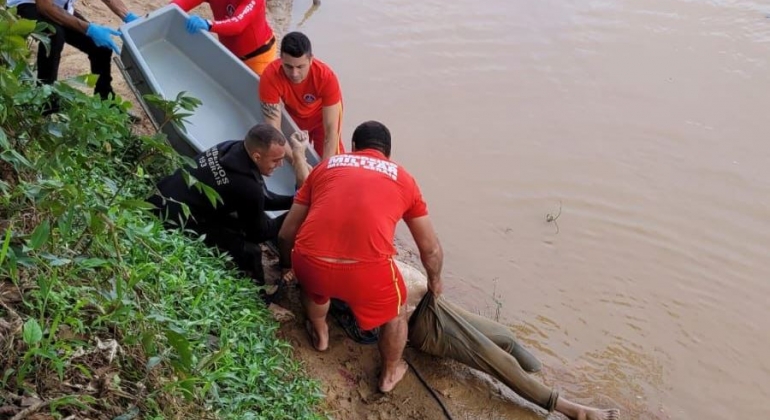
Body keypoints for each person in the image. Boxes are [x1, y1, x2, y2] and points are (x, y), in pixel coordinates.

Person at [277, 120, 443, 393]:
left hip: (311, 263)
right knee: (396, 313)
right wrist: (435, 280)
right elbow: (430, 249)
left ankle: (320, 335)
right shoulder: (404, 178)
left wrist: (288, 265)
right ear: (388, 154)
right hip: (366, 275)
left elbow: (286, 233)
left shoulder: (324, 168)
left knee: (314, 287)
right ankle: (389, 373)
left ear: (353, 147)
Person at [402, 262, 621, 420]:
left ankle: (551, 373)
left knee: (505, 337)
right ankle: (574, 410)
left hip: (432, 302)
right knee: (498, 359)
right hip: (426, 323)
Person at [148, 123, 310, 286]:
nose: (280, 165)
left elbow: (263, 198)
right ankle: (263, 299)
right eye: (276, 160)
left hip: (162, 196)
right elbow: (259, 233)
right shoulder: (246, 185)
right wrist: (300, 212)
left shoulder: (231, 148)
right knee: (251, 251)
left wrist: (298, 200)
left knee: (239, 225)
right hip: (173, 219)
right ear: (257, 157)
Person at [10, 0, 139, 110]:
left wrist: (127, 16)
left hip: (60, 6)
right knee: (55, 35)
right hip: (28, 4)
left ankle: (105, 101)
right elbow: (45, 7)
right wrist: (88, 29)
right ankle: (45, 101)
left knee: (101, 47)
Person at [259, 31, 344, 161]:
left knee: (333, 160)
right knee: (289, 153)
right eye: (288, 66)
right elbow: (274, 129)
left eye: (300, 67)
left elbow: (331, 133)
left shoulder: (326, 78)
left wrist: (324, 172)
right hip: (295, 115)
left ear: (310, 60)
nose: (294, 74)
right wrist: (298, 162)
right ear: (280, 59)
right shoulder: (270, 77)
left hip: (322, 117)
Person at [172, 0, 277, 76]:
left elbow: (237, 24)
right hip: (230, 55)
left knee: (258, 100)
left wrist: (208, 24)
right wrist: (169, 9)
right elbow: (183, 2)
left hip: (258, 58)